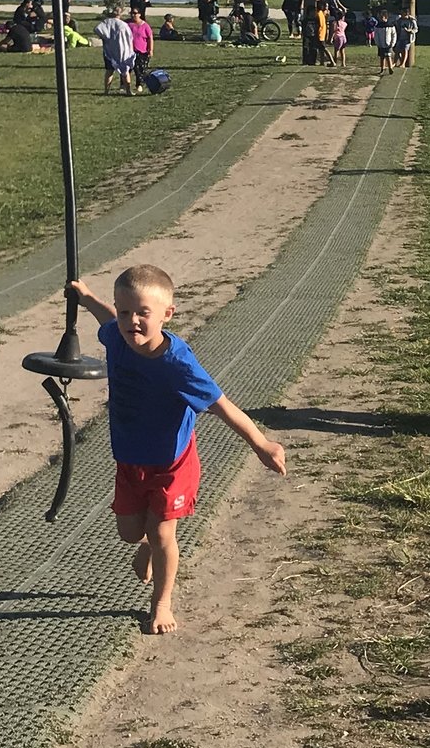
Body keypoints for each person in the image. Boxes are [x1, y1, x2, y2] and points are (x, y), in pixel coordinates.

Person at [67, 264, 287, 633]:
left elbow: (222, 405)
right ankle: (148, 547)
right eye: (125, 312)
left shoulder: (179, 366)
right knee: (130, 532)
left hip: (172, 463)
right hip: (130, 459)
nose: (131, 321)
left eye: (142, 314)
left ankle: (161, 603)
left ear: (167, 315)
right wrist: (87, 298)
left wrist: (261, 443)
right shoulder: (117, 338)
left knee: (162, 533)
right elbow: (106, 321)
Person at [96, 6, 136, 93]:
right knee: (125, 70)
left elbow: (98, 29)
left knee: (109, 71)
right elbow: (129, 38)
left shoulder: (106, 22)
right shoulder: (123, 25)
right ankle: (128, 91)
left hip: (109, 50)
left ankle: (106, 91)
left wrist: (104, 37)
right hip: (121, 50)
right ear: (120, 13)